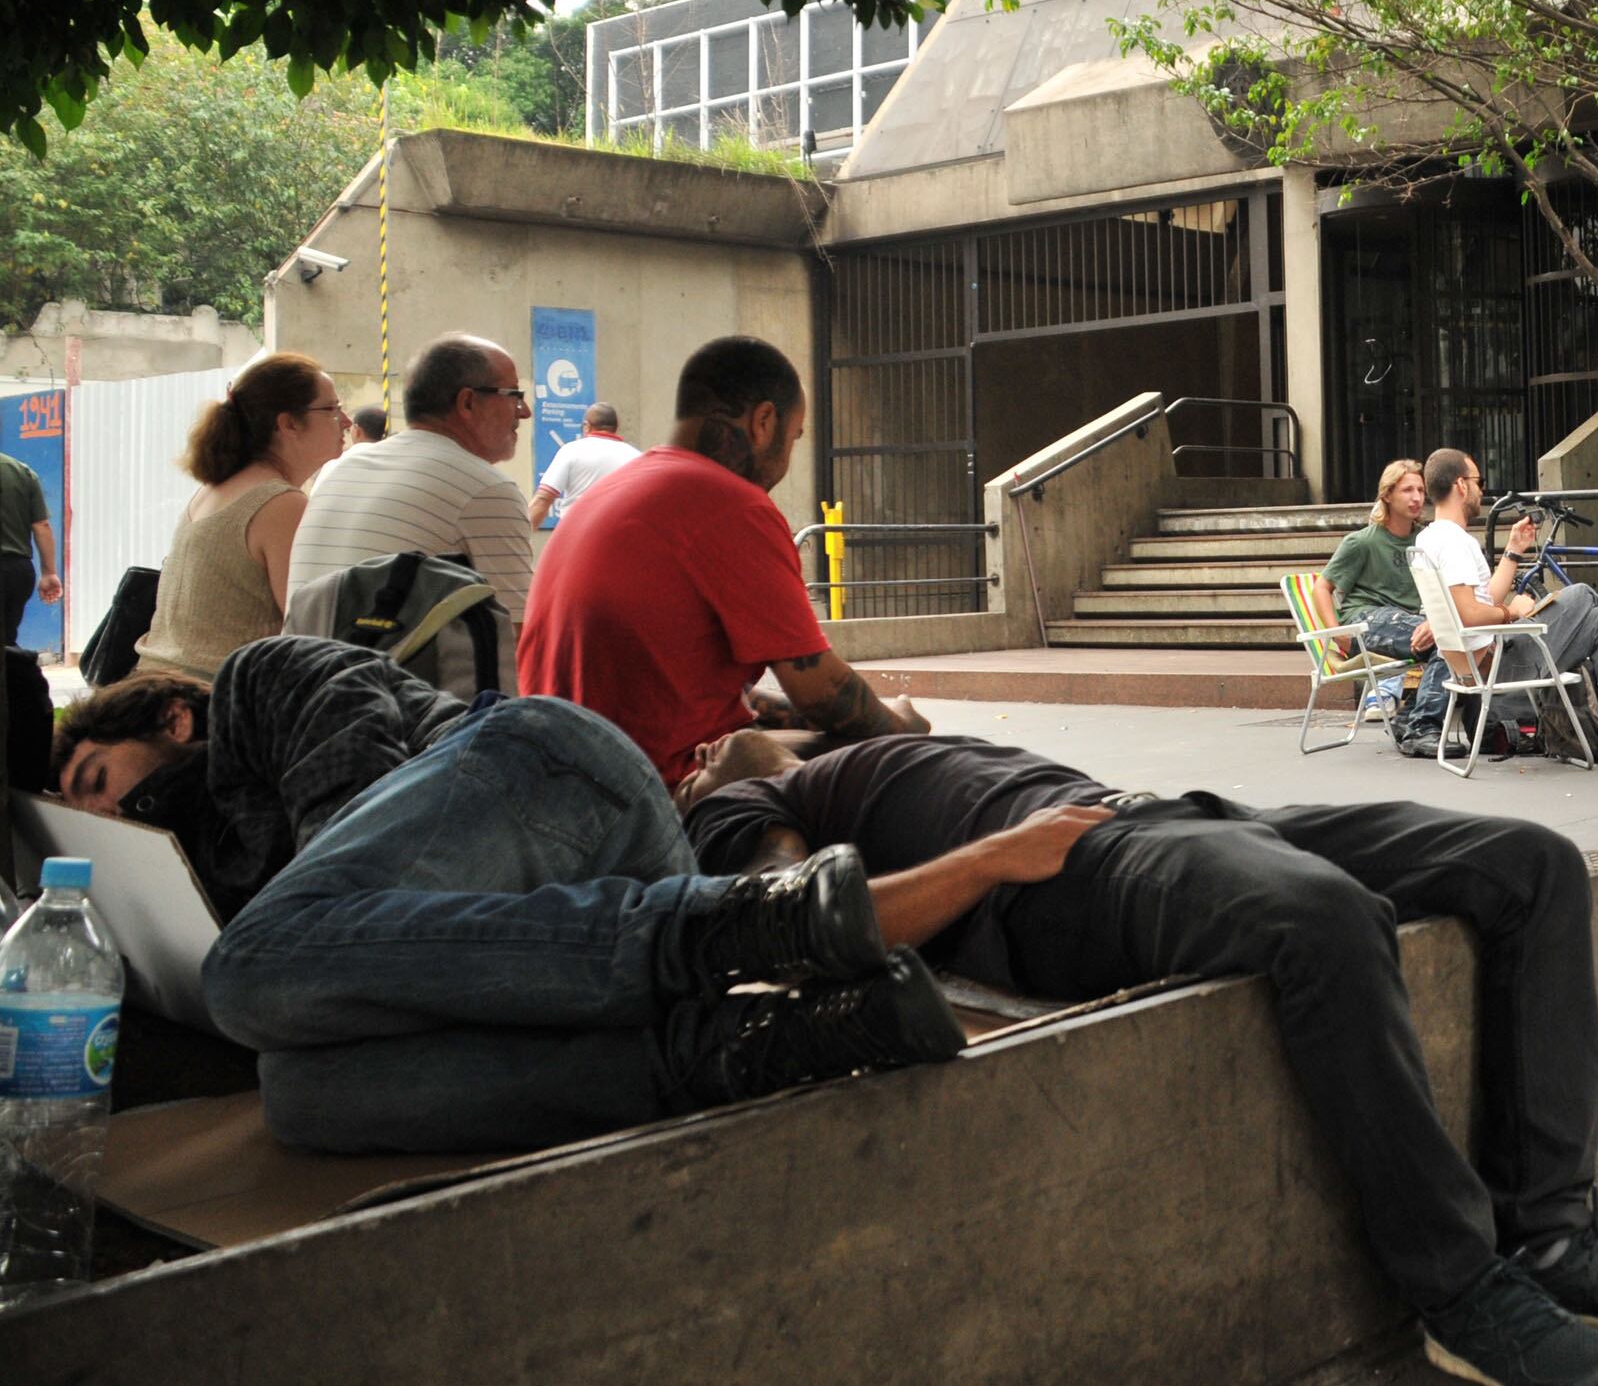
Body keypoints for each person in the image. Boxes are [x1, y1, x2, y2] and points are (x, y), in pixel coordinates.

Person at [684, 732, 1598, 1386]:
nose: (714, 741)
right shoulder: (744, 803)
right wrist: (994, 856)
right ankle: (1457, 1290)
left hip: (1171, 814)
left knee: (1533, 864)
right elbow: (812, 921)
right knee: (1322, 918)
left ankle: (1553, 1238)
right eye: (692, 754)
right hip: (1068, 875)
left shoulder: (847, 748)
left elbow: (858, 704)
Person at [49, 637, 963, 1151]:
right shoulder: (211, 864)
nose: (103, 808)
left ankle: (750, 920)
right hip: (563, 928)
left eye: (94, 776)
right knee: (297, 1093)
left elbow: (350, 827)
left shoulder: (260, 687)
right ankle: (757, 1043)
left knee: (245, 973)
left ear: (171, 719)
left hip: (558, 774)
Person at [520, 336, 930, 792]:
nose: (787, 460)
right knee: (900, 759)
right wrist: (902, 727)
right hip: (645, 794)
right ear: (763, 422)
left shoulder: (617, 490)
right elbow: (822, 693)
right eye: (794, 439)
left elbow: (685, 685)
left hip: (556, 776)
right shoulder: (732, 505)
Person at [1410, 449, 1598, 765]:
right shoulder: (1456, 543)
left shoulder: (1430, 539)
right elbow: (1470, 616)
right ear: (1460, 485)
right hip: (1499, 663)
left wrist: (1513, 551)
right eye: (1478, 481)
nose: (1482, 489)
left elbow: (1483, 599)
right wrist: (1513, 611)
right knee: (1582, 594)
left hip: (1477, 665)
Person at [289, 333, 537, 643]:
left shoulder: (340, 469)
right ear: (468, 403)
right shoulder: (487, 490)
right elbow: (517, 641)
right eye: (514, 394)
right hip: (383, 688)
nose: (524, 411)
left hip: (299, 681)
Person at [138, 354, 348, 680]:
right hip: (216, 701)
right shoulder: (280, 504)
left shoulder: (216, 488)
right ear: (288, 423)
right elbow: (310, 630)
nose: (346, 421)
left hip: (162, 686)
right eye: (332, 409)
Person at [1323, 457, 1447, 737]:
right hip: (1366, 620)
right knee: (1445, 640)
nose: (1417, 498)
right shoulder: (1362, 541)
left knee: (1454, 642)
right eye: (1407, 490)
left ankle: (1410, 719)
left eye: (1420, 490)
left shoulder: (1426, 539)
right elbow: (1323, 588)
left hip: (1406, 623)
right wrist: (1336, 632)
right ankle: (1420, 726)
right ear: (1387, 495)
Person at [528, 401, 640, 529]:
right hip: (619, 537)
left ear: (586, 426)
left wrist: (521, 538)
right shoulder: (636, 457)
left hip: (576, 536)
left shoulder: (571, 451)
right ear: (616, 427)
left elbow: (543, 499)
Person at [0, 443, 62, 642]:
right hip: (15, 572)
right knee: (7, 639)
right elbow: (42, 526)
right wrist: (49, 572)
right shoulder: (22, 471)